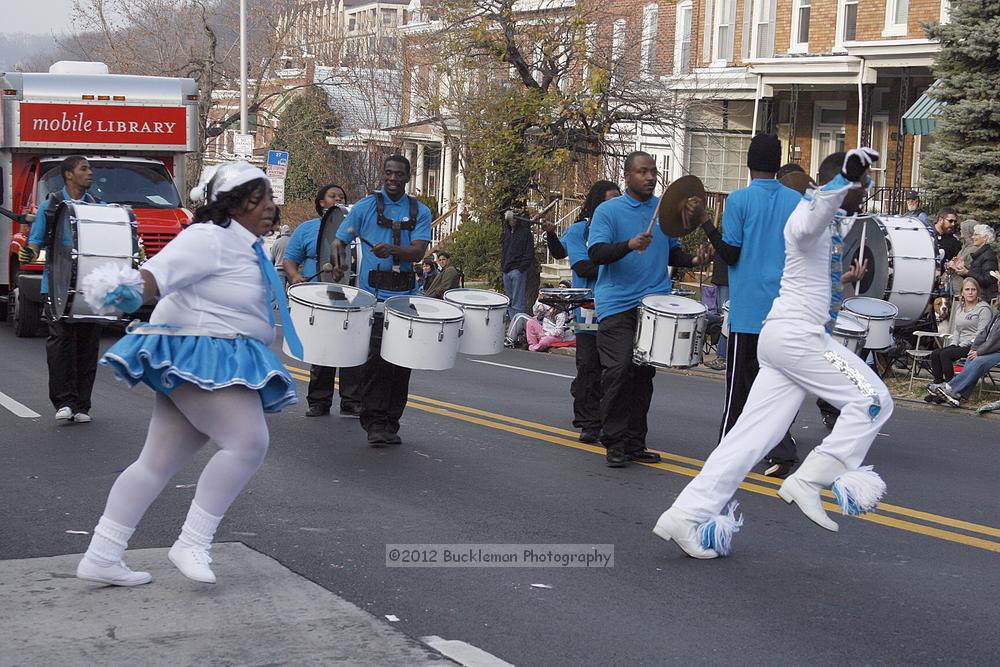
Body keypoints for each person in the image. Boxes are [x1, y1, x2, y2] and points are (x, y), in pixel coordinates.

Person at [653, 148, 893, 559]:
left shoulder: (829, 223)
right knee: (874, 400)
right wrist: (841, 182)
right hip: (798, 342)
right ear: (839, 184)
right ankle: (810, 479)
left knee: (747, 440)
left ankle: (686, 514)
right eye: (862, 183)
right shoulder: (806, 216)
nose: (868, 189)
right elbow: (810, 220)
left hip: (784, 341)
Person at [74, 161, 298, 586]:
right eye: (259, 197)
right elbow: (155, 277)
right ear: (232, 204)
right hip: (202, 354)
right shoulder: (208, 237)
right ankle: (193, 542)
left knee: (156, 463)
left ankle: (102, 554)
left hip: (214, 353)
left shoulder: (246, 244)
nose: (270, 205)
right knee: (248, 444)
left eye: (269, 196)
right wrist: (117, 289)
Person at [587, 152, 710, 467]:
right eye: (643, 172)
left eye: (653, 171)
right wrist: (628, 245)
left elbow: (673, 254)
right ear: (627, 176)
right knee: (619, 368)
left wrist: (694, 261)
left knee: (643, 375)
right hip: (617, 302)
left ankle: (634, 441)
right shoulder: (608, 211)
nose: (650, 177)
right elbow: (597, 253)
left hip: (654, 305)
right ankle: (613, 441)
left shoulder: (663, 212)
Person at [697, 134, 803, 478]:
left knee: (738, 389)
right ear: (778, 164)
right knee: (771, 388)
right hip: (785, 308)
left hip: (750, 311)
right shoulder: (796, 200)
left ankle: (725, 453)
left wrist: (706, 224)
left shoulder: (739, 200)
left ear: (748, 163)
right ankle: (782, 450)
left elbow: (731, 253)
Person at [332, 155, 432, 445]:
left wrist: (394, 249)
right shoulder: (364, 207)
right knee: (375, 364)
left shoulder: (419, 211)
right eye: (388, 173)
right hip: (372, 298)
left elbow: (418, 252)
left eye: (398, 174)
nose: (392, 178)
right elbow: (339, 240)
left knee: (401, 364)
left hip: (404, 299)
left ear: (407, 177)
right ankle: (375, 423)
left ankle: (391, 421)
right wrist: (338, 264)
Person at [20, 155, 102, 423]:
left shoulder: (96, 207)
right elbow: (35, 241)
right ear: (69, 174)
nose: (90, 173)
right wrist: (28, 254)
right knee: (61, 344)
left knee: (88, 345)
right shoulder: (51, 204)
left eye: (89, 168)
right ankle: (64, 401)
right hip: (56, 284)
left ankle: (82, 406)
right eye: (84, 169)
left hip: (88, 287)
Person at [542, 181, 621, 443]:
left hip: (620, 308)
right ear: (595, 205)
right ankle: (589, 422)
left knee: (616, 370)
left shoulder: (624, 231)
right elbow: (584, 267)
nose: (615, 207)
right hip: (589, 309)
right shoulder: (579, 231)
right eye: (609, 202)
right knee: (589, 365)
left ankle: (609, 418)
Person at [283, 183, 361, 418]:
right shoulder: (307, 229)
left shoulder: (354, 231)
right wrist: (296, 278)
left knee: (351, 348)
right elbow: (290, 260)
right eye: (332, 195)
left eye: (342, 196)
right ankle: (319, 401)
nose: (338, 198)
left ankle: (351, 400)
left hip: (349, 295)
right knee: (323, 349)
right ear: (321, 202)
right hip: (319, 296)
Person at [924, 278, 992, 401]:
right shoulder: (960, 308)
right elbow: (957, 330)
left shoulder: (983, 309)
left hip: (975, 346)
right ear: (962, 293)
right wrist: (954, 344)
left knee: (945, 355)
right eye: (967, 289)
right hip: (960, 344)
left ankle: (951, 390)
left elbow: (982, 333)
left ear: (978, 292)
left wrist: (962, 345)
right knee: (935, 354)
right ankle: (938, 387)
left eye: (973, 289)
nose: (970, 292)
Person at [928, 305, 1000, 407]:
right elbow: (983, 334)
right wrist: (974, 348)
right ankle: (958, 395)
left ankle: (949, 387)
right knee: (971, 359)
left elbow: (995, 341)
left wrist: (979, 352)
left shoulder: (984, 309)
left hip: (996, 351)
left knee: (978, 361)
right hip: (988, 349)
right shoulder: (997, 316)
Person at [501, 207, 534, 320]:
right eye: (511, 219)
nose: (512, 221)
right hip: (507, 271)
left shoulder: (526, 233)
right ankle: (511, 323)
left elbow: (529, 253)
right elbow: (504, 251)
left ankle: (517, 323)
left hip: (517, 271)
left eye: (515, 219)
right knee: (509, 300)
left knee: (518, 301)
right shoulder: (507, 233)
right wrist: (503, 267)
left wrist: (521, 268)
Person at [953, 224, 998, 303]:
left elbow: (988, 279)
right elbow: (977, 274)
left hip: (984, 300)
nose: (973, 237)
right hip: (979, 297)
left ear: (985, 238)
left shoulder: (988, 256)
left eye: (976, 234)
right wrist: (963, 268)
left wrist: (967, 272)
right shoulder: (980, 254)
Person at [932, 207, 961, 272]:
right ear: (940, 220)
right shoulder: (927, 234)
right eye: (950, 221)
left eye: (955, 221)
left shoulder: (954, 241)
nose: (953, 224)